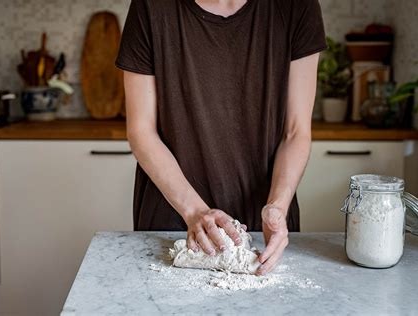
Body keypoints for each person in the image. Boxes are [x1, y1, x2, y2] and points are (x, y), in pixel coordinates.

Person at [115, 0, 327, 275]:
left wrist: (277, 206)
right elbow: (141, 131)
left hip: (262, 226)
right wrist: (194, 211)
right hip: (173, 219)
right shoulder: (151, 6)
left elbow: (296, 132)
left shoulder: (296, 6)